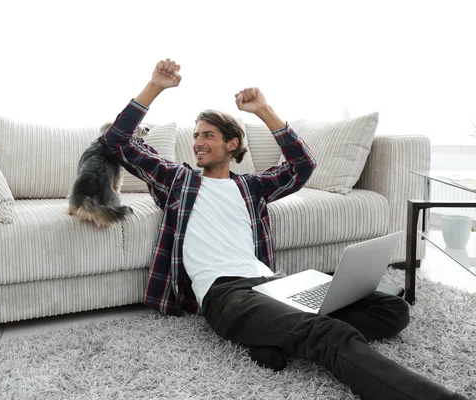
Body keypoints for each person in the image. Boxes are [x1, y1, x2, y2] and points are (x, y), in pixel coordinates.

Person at [103, 58, 467, 400]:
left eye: (209, 135)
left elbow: (302, 166)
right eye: (197, 135)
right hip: (228, 297)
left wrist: (263, 110)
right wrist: (155, 86)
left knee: (392, 309)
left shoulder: (251, 188)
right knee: (329, 333)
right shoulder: (176, 180)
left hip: (277, 285)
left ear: (232, 144)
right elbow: (116, 141)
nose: (198, 142)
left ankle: (279, 339)